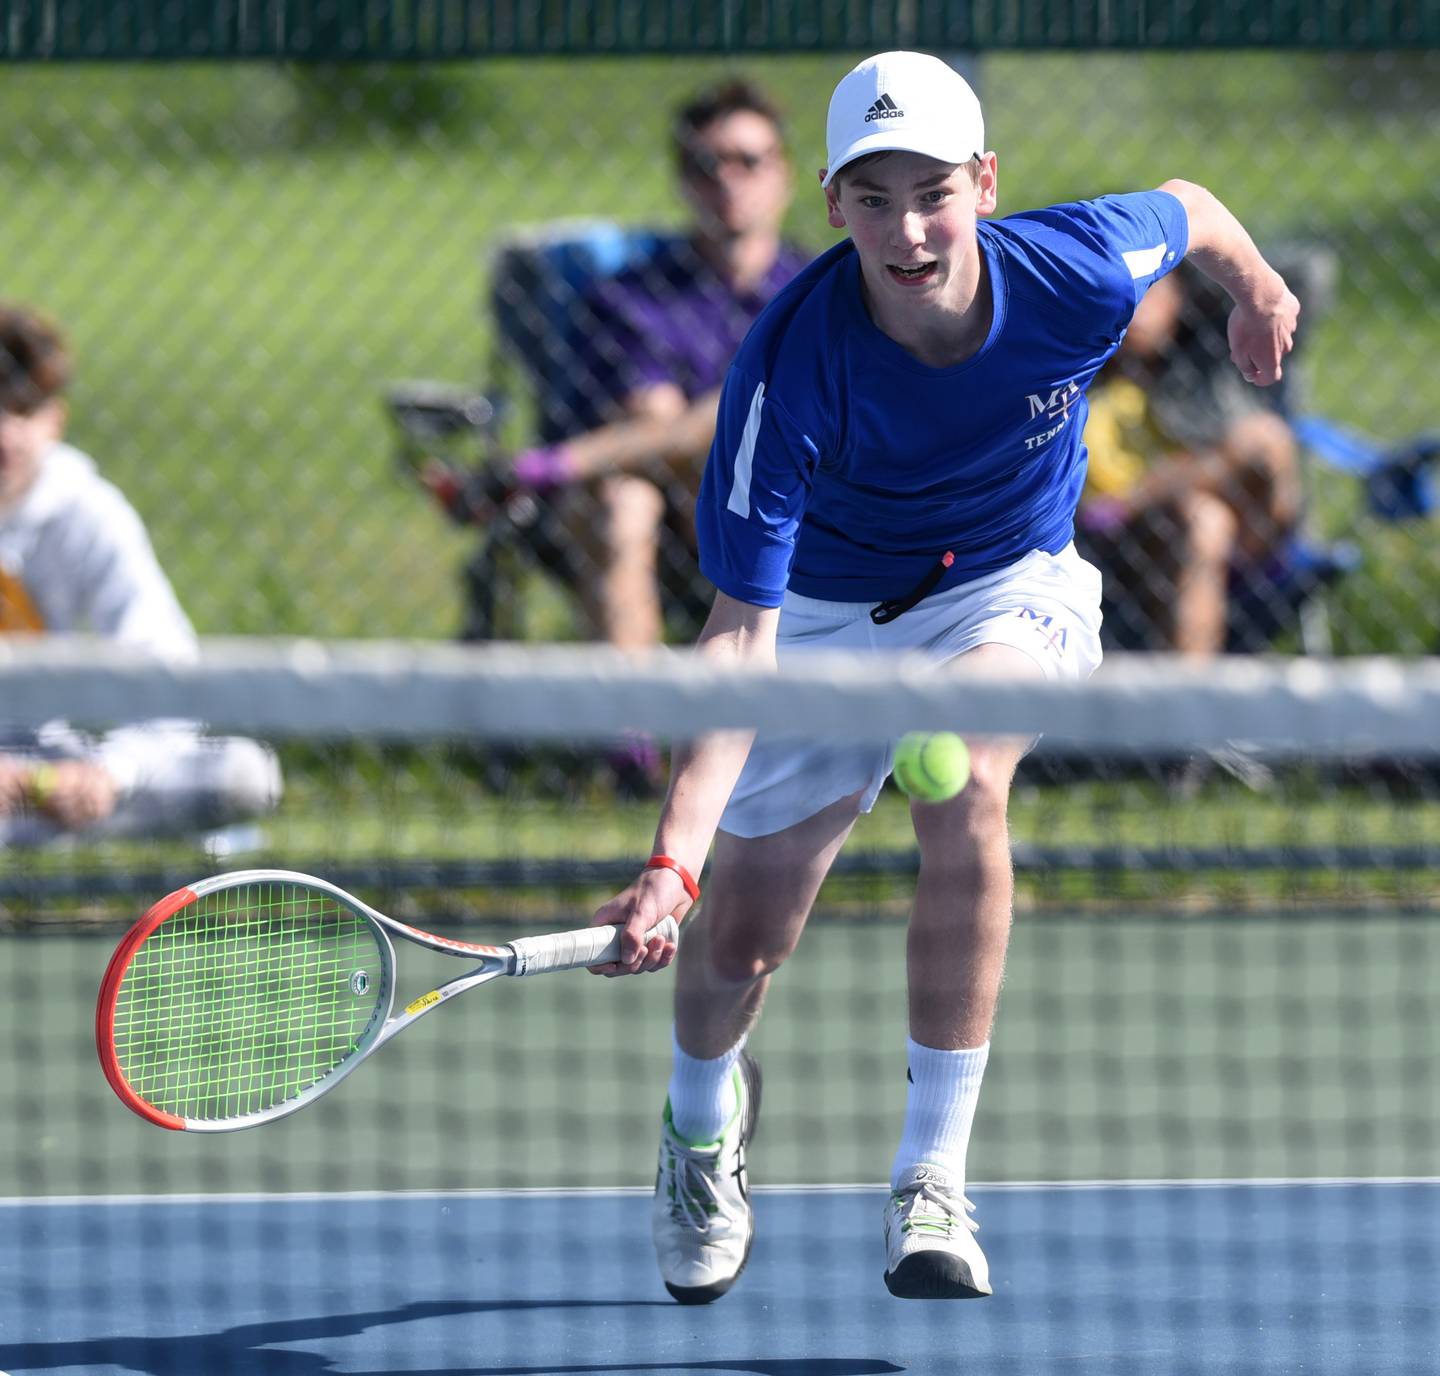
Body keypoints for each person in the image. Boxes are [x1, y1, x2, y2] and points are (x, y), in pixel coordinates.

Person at [584, 51, 1298, 1303]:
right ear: (830, 201)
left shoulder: (1075, 269)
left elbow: (1191, 205)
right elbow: (737, 638)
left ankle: (933, 1177)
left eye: (933, 192)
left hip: (1008, 583)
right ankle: (701, 1127)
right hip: (820, 613)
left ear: (985, 182)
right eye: (873, 196)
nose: (907, 229)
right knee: (744, 936)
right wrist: (672, 859)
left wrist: (1256, 286)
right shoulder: (786, 367)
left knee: (962, 774)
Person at [490, 78, 812, 655]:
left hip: (793, 491)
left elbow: (730, 421)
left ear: (785, 173)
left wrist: (559, 463)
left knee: (742, 418)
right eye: (704, 164)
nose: (726, 181)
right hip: (670, 502)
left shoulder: (820, 288)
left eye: (747, 161)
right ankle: (631, 739)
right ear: (682, 180)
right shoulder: (633, 297)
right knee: (626, 501)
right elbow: (665, 432)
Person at [0, 304, 282, 847]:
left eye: (22, 409)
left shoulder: (90, 513)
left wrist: (108, 774)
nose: (3, 431)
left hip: (52, 766)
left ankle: (64, 825)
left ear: (55, 420)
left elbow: (163, 669)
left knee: (244, 774)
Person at [1078, 264, 1303, 654]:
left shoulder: (1201, 369)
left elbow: (1308, 272)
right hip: (1110, 542)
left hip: (1233, 536)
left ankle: (1185, 699)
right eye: (1128, 292)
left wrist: (1245, 281)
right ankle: (1188, 702)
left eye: (1155, 293)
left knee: (1262, 444)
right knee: (1205, 519)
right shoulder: (1072, 377)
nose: (1139, 308)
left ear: (1181, 304)